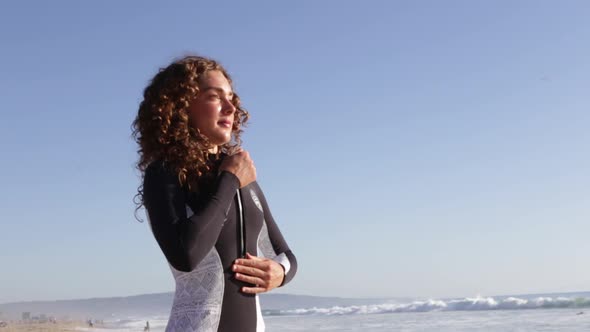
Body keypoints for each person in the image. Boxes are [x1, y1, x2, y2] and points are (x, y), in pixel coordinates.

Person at [132, 55, 297, 332]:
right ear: (181, 107)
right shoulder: (165, 173)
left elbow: (284, 255)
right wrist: (230, 179)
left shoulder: (243, 176)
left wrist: (279, 274)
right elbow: (186, 255)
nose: (230, 107)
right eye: (214, 96)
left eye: (231, 98)